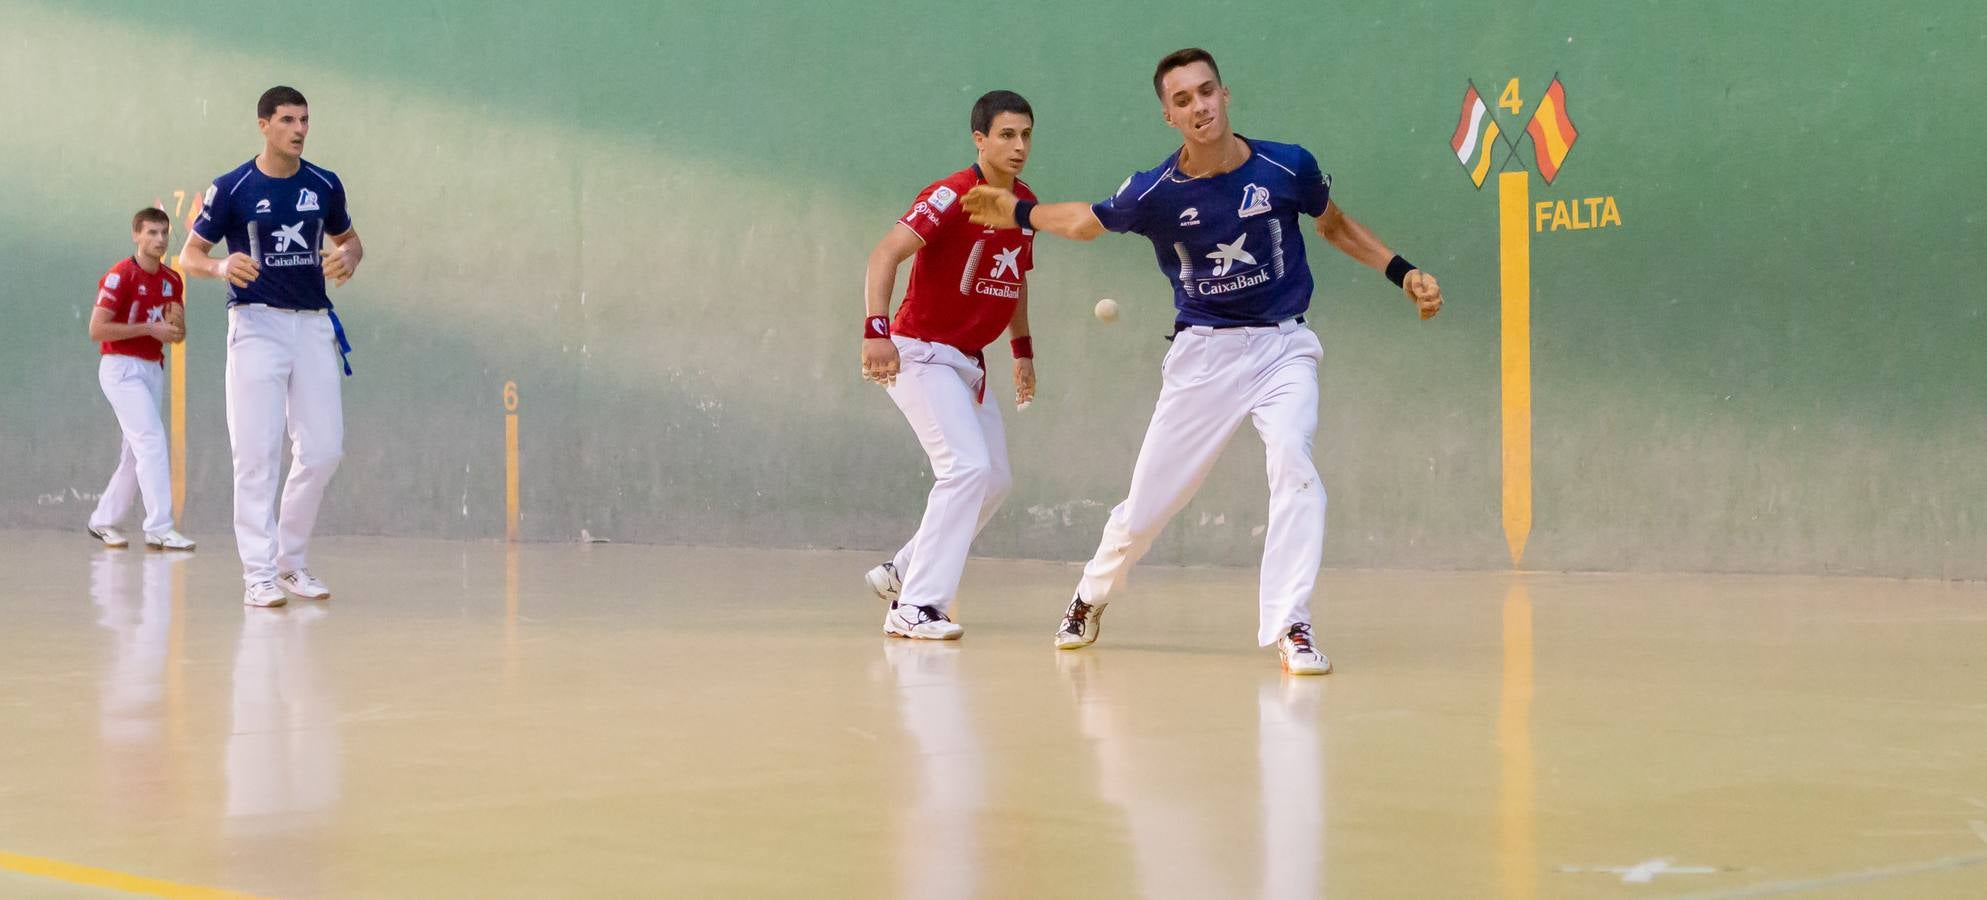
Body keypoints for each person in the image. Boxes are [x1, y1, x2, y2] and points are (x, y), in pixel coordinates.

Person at [962, 49, 1445, 674]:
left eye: (1206, 91)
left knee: (1294, 464)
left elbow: (1336, 227)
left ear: (1225, 94)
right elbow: (1086, 222)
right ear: (1169, 116)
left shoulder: (1286, 165)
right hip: (1203, 356)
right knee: (1148, 505)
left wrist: (1402, 274)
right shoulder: (1156, 191)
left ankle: (1291, 625)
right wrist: (1020, 211)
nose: (1199, 106)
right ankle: (1090, 593)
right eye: (1183, 100)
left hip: (1282, 347)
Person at [859, 90, 1040, 640]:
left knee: (994, 480)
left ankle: (905, 571)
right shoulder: (950, 194)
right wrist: (876, 330)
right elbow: (885, 253)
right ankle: (917, 608)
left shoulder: (1024, 204)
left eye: (1027, 135)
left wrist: (1023, 350)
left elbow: (1014, 278)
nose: (1019, 146)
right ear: (980, 140)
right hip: (918, 352)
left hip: (968, 362)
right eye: (1007, 135)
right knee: (965, 468)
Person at [179, 85, 364, 608]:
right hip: (255, 326)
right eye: (287, 120)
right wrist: (220, 266)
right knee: (257, 455)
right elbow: (190, 254)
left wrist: (349, 258)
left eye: (305, 119)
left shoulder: (325, 185)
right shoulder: (232, 187)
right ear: (264, 125)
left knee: (324, 450)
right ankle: (257, 573)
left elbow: (351, 242)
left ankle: (290, 563)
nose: (299, 129)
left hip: (313, 327)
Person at [86, 208, 195, 552]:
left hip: (151, 368)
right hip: (119, 368)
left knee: (136, 453)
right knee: (151, 439)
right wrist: (150, 328)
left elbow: (175, 335)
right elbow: (97, 329)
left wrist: (176, 327)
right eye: (151, 232)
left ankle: (103, 520)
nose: (160, 239)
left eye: (164, 233)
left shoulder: (172, 280)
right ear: (136, 235)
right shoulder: (120, 276)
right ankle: (159, 527)